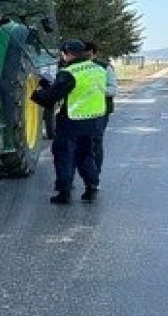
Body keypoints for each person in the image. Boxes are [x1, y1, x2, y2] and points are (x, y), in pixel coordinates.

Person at [32, 40, 108, 203]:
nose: (62, 57)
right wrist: (52, 86)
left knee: (64, 155)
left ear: (68, 54)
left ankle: (64, 193)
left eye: (63, 54)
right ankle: (92, 187)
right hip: (94, 120)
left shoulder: (69, 72)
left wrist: (36, 93)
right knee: (86, 155)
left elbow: (50, 99)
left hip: (72, 122)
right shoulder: (99, 69)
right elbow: (79, 89)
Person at [85, 41, 118, 173]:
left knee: (96, 141)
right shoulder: (76, 67)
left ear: (95, 54)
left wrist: (97, 90)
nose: (86, 59)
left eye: (88, 55)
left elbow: (113, 89)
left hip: (101, 111)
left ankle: (95, 174)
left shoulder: (105, 67)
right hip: (81, 111)